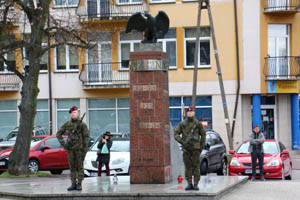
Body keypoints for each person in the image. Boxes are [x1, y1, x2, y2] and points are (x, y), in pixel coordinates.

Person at [56, 106, 89, 191]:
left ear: (77, 113)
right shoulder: (67, 124)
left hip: (79, 149)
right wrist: (64, 144)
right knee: (72, 167)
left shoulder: (82, 124)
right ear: (70, 114)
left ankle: (79, 183)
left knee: (80, 167)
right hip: (70, 149)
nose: (74, 114)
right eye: (72, 112)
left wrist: (85, 149)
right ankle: (73, 183)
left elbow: (86, 137)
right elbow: (58, 134)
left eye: (75, 112)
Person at [174, 106, 206, 191]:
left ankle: (195, 184)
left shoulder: (198, 124)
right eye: (188, 112)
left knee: (196, 166)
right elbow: (176, 134)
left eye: (191, 112)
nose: (190, 113)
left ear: (194, 113)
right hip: (186, 149)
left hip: (196, 149)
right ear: (187, 113)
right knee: (187, 167)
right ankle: (189, 184)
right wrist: (182, 141)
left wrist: (201, 146)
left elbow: (203, 135)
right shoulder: (182, 124)